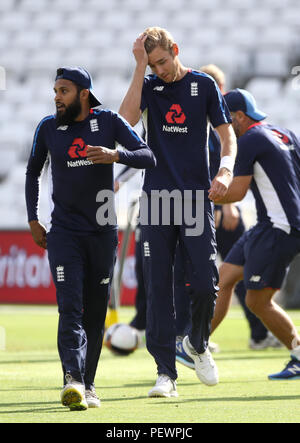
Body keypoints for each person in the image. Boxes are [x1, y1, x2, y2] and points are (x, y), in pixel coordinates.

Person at [25, 66, 156, 411]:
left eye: (64, 90)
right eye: (55, 90)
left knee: (96, 311)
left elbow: (147, 156)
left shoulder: (109, 121)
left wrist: (116, 155)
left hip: (102, 231)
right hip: (64, 233)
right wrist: (33, 219)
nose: (56, 97)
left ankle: (90, 383)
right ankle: (72, 379)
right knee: (70, 306)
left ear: (84, 93)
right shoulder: (48, 127)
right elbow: (32, 172)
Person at [119, 27, 237, 397]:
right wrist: (139, 67)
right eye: (152, 64)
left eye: (162, 62)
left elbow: (226, 136)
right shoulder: (150, 86)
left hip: (195, 199)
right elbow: (124, 123)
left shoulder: (203, 86)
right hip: (154, 201)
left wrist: (226, 168)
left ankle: (197, 344)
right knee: (157, 290)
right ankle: (165, 374)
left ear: (176, 50)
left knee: (204, 283)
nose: (160, 70)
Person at [210, 88, 300, 380]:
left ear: (238, 117)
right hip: (269, 223)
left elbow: (235, 192)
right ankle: (193, 345)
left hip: (279, 226)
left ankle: (299, 355)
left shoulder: (249, 139)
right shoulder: (284, 133)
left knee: (256, 301)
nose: (222, 127)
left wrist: (199, 197)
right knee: (224, 277)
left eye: (225, 120)